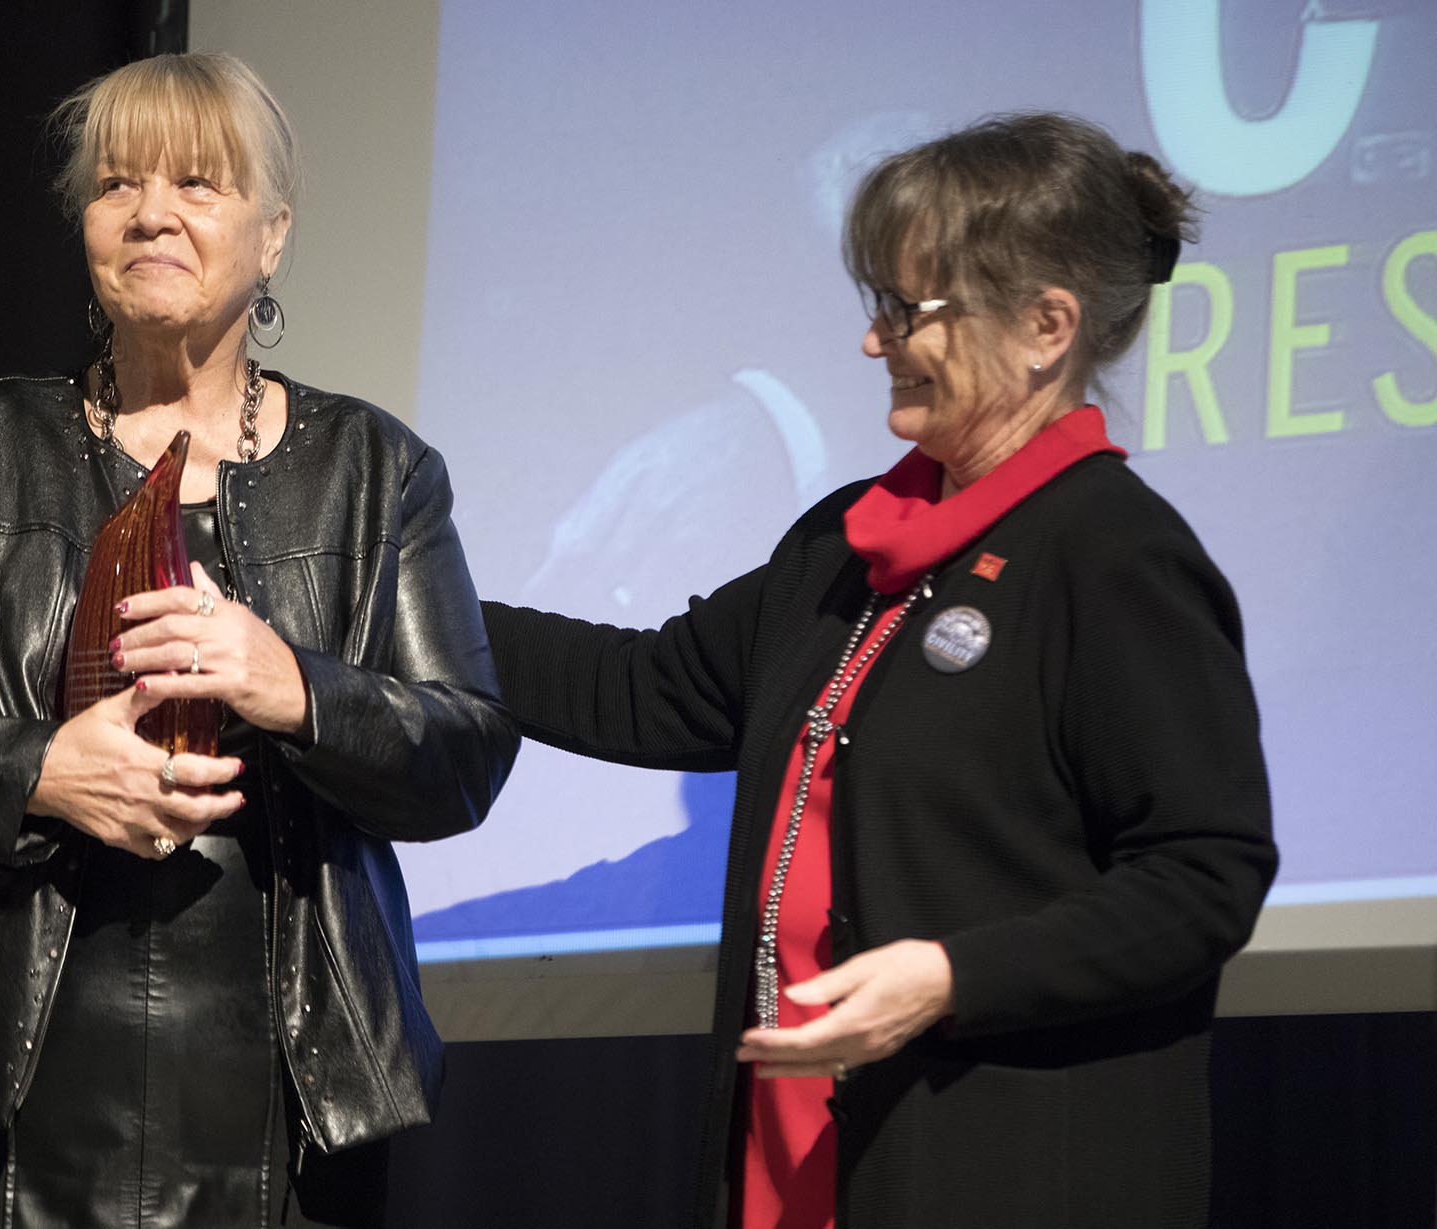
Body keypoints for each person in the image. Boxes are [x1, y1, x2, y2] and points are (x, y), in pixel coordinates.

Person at [482, 112, 1277, 1228]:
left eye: (912, 309)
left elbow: (1204, 874)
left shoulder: (1112, 554)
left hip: (1002, 1166)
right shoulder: (844, 543)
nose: (875, 340)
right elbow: (643, 688)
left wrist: (951, 976)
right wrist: (380, 606)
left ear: (1048, 325)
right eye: (879, 304)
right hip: (799, 1152)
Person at [0, 52, 516, 1228]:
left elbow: (467, 750)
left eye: (197, 182)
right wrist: (36, 769)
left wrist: (297, 686)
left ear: (273, 235)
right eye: (116, 183)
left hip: (292, 1098)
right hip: (8, 1090)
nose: (150, 213)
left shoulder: (374, 472)